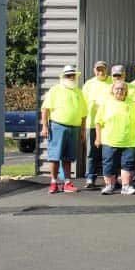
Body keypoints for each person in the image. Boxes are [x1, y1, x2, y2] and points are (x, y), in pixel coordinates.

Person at [41, 65, 88, 194]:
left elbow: (84, 114)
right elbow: (45, 109)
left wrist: (83, 131)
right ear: (63, 77)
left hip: (75, 127)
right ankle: (53, 182)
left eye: (73, 75)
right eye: (68, 75)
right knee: (55, 156)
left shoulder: (79, 92)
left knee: (68, 157)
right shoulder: (55, 90)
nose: (71, 77)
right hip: (57, 126)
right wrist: (44, 126)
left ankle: (67, 182)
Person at [95, 81, 135, 195]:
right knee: (109, 163)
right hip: (110, 140)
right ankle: (109, 186)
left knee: (127, 164)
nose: (120, 91)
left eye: (122, 89)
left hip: (129, 140)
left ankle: (126, 186)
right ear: (112, 90)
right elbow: (98, 122)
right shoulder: (105, 103)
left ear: (126, 91)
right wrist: (98, 138)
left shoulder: (131, 103)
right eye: (117, 88)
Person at [81, 60, 112, 188]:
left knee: (109, 153)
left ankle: (109, 179)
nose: (100, 72)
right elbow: (83, 105)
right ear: (94, 70)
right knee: (91, 153)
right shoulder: (89, 84)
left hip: (109, 124)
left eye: (103, 69)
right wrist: (82, 126)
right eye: (98, 69)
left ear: (107, 70)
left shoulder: (112, 82)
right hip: (92, 123)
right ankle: (90, 178)